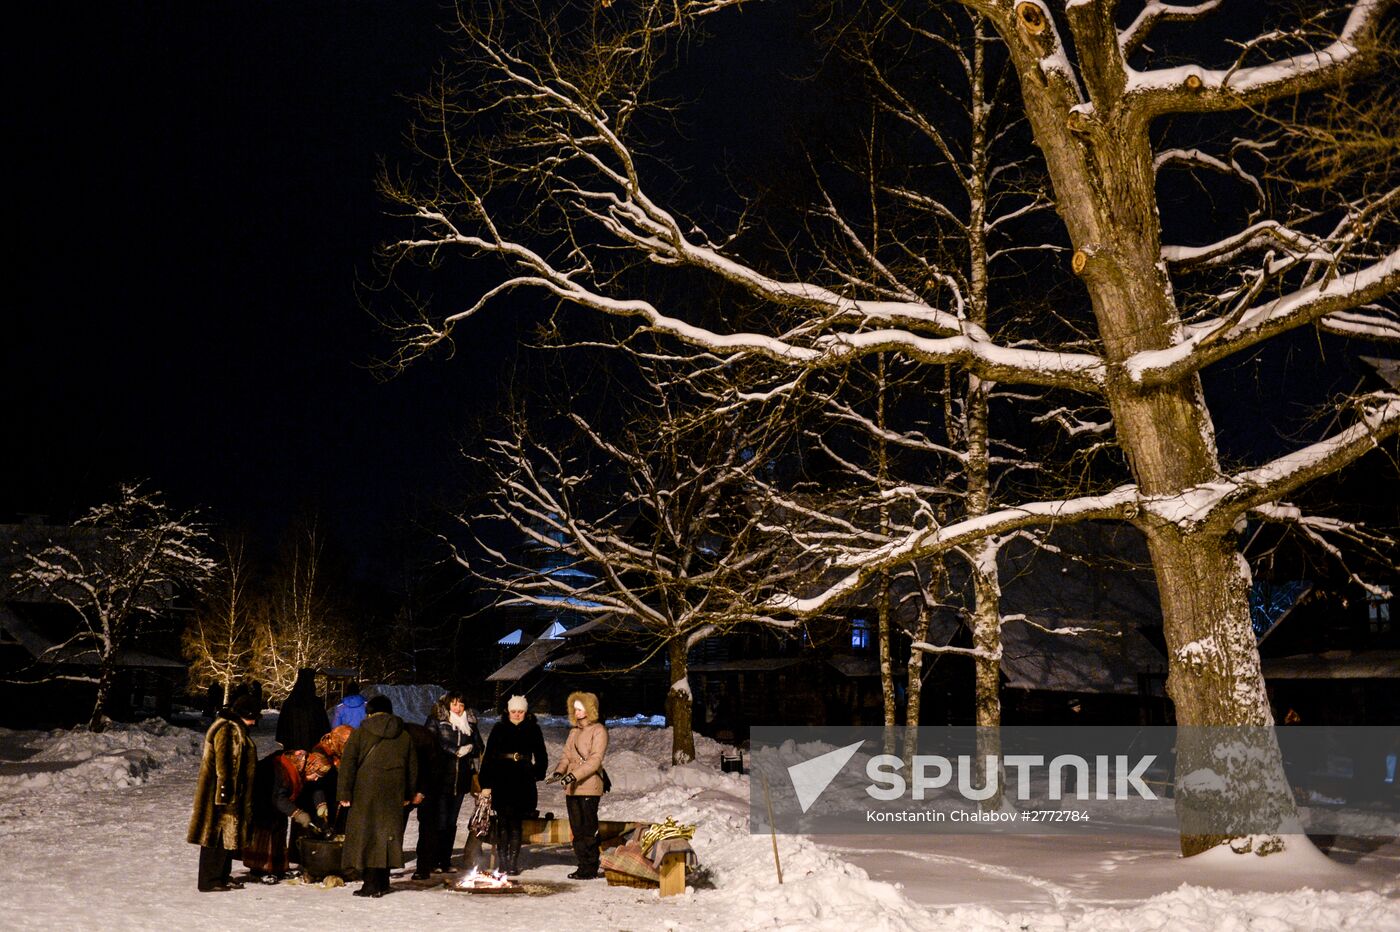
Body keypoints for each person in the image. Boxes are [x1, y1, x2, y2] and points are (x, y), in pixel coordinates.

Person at [338, 694, 420, 897]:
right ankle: (383, 882)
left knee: (366, 836)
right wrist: (409, 793)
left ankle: (370, 885)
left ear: (370, 712)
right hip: (394, 790)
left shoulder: (360, 733)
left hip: (365, 790)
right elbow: (412, 767)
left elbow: (348, 764)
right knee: (386, 835)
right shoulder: (404, 734)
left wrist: (344, 792)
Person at [187, 695, 260, 892]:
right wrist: (225, 796)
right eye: (254, 717)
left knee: (226, 836)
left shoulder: (233, 727)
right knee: (215, 836)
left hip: (226, 792)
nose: (255, 722)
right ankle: (210, 880)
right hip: (220, 795)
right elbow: (226, 765)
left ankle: (221, 876)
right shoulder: (228, 729)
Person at [479, 694, 548, 876]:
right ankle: (502, 862)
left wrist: (536, 772)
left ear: (525, 712)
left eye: (521, 712)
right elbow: (488, 757)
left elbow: (541, 755)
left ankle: (512, 863)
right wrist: (486, 783)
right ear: (508, 711)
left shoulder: (533, 729)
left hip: (523, 780)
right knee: (502, 823)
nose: (517, 714)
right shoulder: (499, 728)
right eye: (514, 711)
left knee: (516, 824)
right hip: (501, 778)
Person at [417, 691, 481, 876]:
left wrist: (471, 748)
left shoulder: (470, 723)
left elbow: (479, 747)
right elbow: (431, 743)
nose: (458, 708)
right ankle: (433, 860)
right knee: (440, 821)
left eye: (461, 705)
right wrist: (455, 750)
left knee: (451, 822)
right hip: (440, 779)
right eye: (454, 704)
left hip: (460, 781)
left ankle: (445, 861)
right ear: (447, 705)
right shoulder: (436, 720)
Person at [243, 747, 327, 882]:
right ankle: (260, 869)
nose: (316, 779)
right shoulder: (283, 771)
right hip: (263, 799)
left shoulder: (299, 769)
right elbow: (278, 798)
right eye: (316, 775)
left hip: (273, 802)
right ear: (310, 769)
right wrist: (297, 813)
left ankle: (278, 868)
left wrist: (320, 804)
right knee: (266, 833)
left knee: (279, 830)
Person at [553, 691, 608, 880]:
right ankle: (582, 864)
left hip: (589, 786)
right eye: (574, 708)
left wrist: (572, 776)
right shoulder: (574, 732)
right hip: (573, 788)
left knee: (588, 827)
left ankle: (591, 865)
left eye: (580, 708)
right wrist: (560, 771)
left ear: (590, 709)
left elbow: (594, 761)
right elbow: (566, 756)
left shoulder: (598, 730)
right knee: (577, 829)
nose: (577, 712)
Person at [276, 668, 331, 753]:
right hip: (313, 749)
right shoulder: (316, 703)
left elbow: (282, 726)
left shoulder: (289, 703)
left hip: (293, 749)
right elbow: (324, 727)